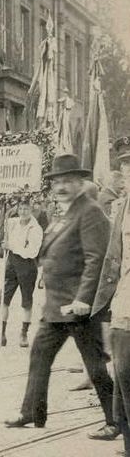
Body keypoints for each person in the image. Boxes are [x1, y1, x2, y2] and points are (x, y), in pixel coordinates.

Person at [5, 154, 115, 438]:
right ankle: (32, 411)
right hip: (56, 306)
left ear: (80, 183)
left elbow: (96, 259)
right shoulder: (65, 213)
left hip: (78, 307)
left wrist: (84, 299)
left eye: (68, 181)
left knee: (95, 366)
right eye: (58, 182)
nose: (62, 187)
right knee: (39, 355)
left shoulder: (89, 211)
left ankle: (115, 421)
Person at [92, 135, 130, 453]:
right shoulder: (121, 208)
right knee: (124, 375)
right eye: (125, 165)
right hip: (124, 302)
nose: (127, 172)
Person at [0, 198, 43, 347]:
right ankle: (0, 334)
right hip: (11, 265)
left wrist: (12, 246)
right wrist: (5, 207)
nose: (23, 212)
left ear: (31, 210)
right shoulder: (12, 222)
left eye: (26, 209)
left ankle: (23, 334)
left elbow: (32, 251)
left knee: (26, 302)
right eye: (20, 208)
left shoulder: (35, 228)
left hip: (27, 266)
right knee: (4, 299)